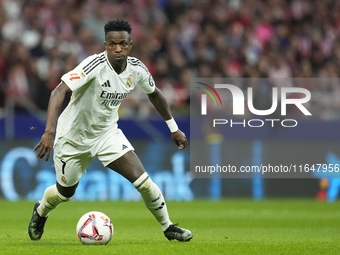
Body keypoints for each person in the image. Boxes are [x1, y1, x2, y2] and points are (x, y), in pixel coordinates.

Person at [28, 18, 192, 242]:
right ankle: (41, 210)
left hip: (106, 134)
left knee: (143, 181)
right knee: (65, 193)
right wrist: (49, 131)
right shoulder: (93, 66)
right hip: (72, 138)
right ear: (105, 45)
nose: (118, 49)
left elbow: (154, 93)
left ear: (130, 44)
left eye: (122, 44)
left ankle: (168, 227)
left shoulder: (136, 69)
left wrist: (173, 128)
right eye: (112, 44)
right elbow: (58, 91)